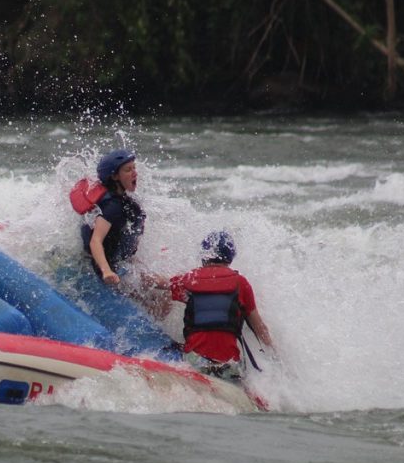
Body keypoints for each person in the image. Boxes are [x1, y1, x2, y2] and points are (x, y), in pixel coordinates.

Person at [151, 230, 273, 380]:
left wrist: (134, 275)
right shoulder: (241, 283)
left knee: (171, 346)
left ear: (204, 255)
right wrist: (275, 355)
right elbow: (260, 328)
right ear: (230, 257)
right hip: (229, 366)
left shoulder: (191, 278)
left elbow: (161, 284)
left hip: (196, 363)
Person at [81, 149, 146, 286]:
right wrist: (106, 271)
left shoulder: (124, 201)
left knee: (163, 293)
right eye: (128, 170)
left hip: (119, 262)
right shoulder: (112, 207)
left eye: (134, 168)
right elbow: (95, 241)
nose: (135, 173)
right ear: (115, 176)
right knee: (166, 288)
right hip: (108, 270)